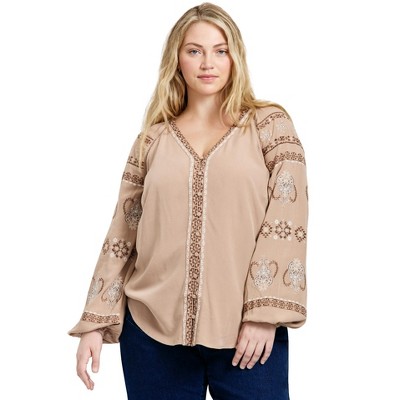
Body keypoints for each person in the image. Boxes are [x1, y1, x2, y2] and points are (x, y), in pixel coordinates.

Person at [68, 2, 308, 399]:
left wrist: (265, 314)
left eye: (220, 50)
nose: (207, 63)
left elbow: (287, 221)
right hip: (151, 333)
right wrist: (95, 323)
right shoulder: (152, 140)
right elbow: (123, 233)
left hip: (247, 333)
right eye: (194, 50)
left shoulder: (269, 126)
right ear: (177, 59)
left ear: (236, 57)